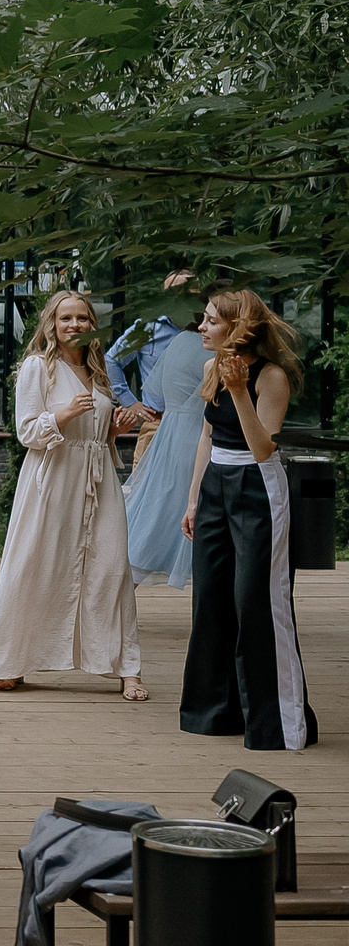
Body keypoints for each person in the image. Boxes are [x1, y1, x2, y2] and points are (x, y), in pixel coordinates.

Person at [0, 290, 144, 699]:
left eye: (82, 318)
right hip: (52, 478)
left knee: (112, 567)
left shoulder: (97, 369)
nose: (74, 325)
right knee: (35, 562)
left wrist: (113, 431)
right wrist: (63, 415)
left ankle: (128, 668)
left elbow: (97, 434)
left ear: (92, 325)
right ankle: (9, 659)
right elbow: (27, 431)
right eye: (65, 318)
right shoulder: (38, 366)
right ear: (51, 324)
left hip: (98, 478)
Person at [178, 288, 315, 752]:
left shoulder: (271, 376)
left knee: (256, 601)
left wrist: (238, 391)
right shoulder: (210, 368)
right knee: (211, 600)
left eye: (212, 321)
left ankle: (278, 724)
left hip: (258, 490)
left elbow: (262, 448)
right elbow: (206, 434)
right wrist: (195, 499)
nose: (202, 326)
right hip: (216, 485)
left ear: (238, 328)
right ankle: (216, 714)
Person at [123, 299, 211, 588]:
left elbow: (156, 391)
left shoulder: (178, 341)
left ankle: (121, 591)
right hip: (198, 432)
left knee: (155, 508)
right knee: (175, 512)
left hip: (168, 432)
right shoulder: (213, 352)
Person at [107, 269, 197, 471]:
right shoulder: (148, 328)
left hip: (196, 425)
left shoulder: (206, 328)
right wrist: (130, 403)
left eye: (188, 291)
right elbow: (111, 361)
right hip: (156, 422)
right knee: (144, 489)